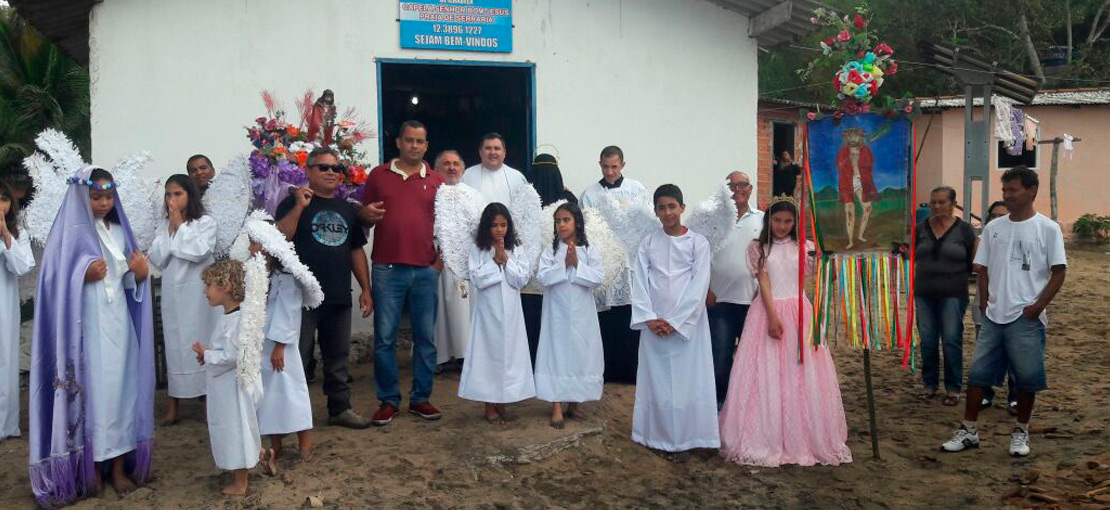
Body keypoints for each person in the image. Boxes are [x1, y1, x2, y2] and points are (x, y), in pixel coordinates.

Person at [29, 167, 155, 505]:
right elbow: (52, 283)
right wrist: (80, 277)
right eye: (96, 196)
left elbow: (129, 279)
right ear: (83, 196)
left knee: (121, 394)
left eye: (108, 196)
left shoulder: (119, 231)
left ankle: (118, 468)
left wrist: (141, 275)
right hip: (84, 333)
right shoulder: (68, 236)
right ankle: (92, 470)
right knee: (94, 396)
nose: (103, 203)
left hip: (119, 329)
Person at [941, 166, 1067, 457]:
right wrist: (984, 303)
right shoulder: (993, 228)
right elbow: (981, 269)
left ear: (1032, 191)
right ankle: (969, 429)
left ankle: (1021, 431)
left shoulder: (1047, 228)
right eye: (1005, 191)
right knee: (977, 374)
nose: (1007, 196)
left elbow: (1059, 272)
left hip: (1026, 316)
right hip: (994, 316)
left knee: (1026, 377)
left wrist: (1037, 307)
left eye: (1014, 190)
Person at [718, 197, 852, 467]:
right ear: (769, 221)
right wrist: (772, 317)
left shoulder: (805, 248)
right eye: (777, 220)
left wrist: (831, 256)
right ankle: (764, 434)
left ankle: (801, 435)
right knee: (764, 372)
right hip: (768, 311)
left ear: (795, 223)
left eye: (787, 221)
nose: (782, 226)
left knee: (800, 372)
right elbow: (764, 282)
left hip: (800, 312)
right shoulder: (759, 248)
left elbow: (829, 276)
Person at [276, 147, 373, 429]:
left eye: (336, 168)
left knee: (338, 358)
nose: (331, 172)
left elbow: (356, 250)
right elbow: (281, 235)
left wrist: (366, 289)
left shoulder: (346, 208)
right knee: (298, 357)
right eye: (323, 167)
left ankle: (340, 409)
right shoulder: (293, 201)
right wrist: (299, 207)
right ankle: (292, 415)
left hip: (338, 294)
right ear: (308, 171)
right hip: (300, 297)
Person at [360, 120, 444, 426]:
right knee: (384, 339)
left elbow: (448, 224)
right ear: (398, 142)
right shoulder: (378, 176)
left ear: (426, 146)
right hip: (387, 268)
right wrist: (364, 215)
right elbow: (363, 217)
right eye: (409, 140)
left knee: (426, 338)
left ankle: (420, 398)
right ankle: (389, 400)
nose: (414, 146)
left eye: (420, 142)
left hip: (425, 269)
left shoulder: (436, 181)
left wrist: (440, 261)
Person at [629, 184, 718, 452]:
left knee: (689, 379)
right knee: (657, 381)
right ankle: (655, 435)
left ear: (682, 207)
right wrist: (649, 318)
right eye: (661, 207)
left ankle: (693, 436)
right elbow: (640, 281)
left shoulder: (698, 243)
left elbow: (699, 284)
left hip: (687, 325)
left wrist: (677, 321)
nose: (667, 212)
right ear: (655, 211)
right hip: (655, 324)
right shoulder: (648, 242)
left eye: (672, 206)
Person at [148, 175, 219, 426]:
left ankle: (210, 402)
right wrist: (171, 230)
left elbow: (199, 252)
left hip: (200, 295)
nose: (172, 200)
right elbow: (158, 258)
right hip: (173, 295)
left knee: (203, 341)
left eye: (178, 194)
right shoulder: (163, 224)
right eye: (168, 194)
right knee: (176, 346)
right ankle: (173, 404)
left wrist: (180, 227)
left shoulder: (205, 222)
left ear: (190, 195)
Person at [192, 260, 265, 496]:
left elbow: (233, 355)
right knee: (234, 427)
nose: (205, 291)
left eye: (209, 285)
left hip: (232, 390)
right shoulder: (229, 316)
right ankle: (263, 455)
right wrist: (209, 356)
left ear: (225, 286)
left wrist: (209, 354)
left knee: (235, 429)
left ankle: (241, 483)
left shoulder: (237, 320)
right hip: (223, 386)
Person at [457, 202, 535, 424]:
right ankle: (488, 404)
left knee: (508, 355)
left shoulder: (516, 249)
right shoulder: (478, 250)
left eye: (503, 225)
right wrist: (494, 261)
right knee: (489, 354)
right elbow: (477, 279)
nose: (500, 230)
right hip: (488, 312)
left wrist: (506, 260)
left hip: (511, 312)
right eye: (494, 225)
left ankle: (503, 399)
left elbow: (521, 278)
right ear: (486, 227)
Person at [247, 227, 315, 464]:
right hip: (262, 345)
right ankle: (276, 443)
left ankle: (304, 441)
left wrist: (279, 345)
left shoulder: (286, 278)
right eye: (251, 243)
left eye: (256, 243)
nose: (251, 248)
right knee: (269, 396)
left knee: (291, 391)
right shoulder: (258, 275)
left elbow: (287, 312)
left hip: (281, 346)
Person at [580, 145, 647, 383]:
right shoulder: (590, 193)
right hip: (605, 262)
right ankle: (607, 370)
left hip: (630, 263)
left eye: (614, 167)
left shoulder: (636, 189)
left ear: (623, 165)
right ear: (600, 164)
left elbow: (644, 222)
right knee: (605, 318)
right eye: (606, 167)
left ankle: (630, 370)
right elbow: (586, 228)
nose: (610, 172)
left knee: (628, 315)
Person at [534, 203, 604, 429]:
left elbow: (597, 278)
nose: (561, 225)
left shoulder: (589, 249)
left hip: (582, 314)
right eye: (558, 221)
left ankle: (574, 403)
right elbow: (543, 277)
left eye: (566, 220)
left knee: (579, 353)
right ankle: (556, 405)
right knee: (557, 354)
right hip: (557, 312)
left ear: (577, 222)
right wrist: (563, 266)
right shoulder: (551, 250)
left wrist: (578, 265)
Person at [913, 186, 976, 407]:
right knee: (928, 341)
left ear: (953, 204)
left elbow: (973, 262)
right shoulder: (919, 229)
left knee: (951, 340)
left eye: (942, 202)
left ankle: (953, 388)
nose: (937, 207)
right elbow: (910, 255)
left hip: (953, 294)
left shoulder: (965, 231)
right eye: (933, 202)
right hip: (923, 293)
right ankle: (929, 385)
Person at [706, 171, 763, 410]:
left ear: (751, 189)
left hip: (754, 302)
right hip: (719, 302)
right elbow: (700, 257)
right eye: (732, 185)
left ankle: (749, 409)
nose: (738, 189)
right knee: (720, 359)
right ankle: (722, 408)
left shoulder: (762, 219)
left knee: (752, 361)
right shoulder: (713, 221)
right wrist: (706, 290)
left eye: (743, 185)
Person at [521, 153, 577, 365]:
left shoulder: (526, 199)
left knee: (533, 326)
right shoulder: (568, 200)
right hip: (557, 272)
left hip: (536, 275)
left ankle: (535, 366)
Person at [0, 180, 34, 441]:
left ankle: (5, 425)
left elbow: (22, 267)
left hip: (4, 305)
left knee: (4, 361)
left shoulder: (17, 232)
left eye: (4, 199)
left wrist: (5, 235)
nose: (1, 205)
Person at [431, 150, 471, 368]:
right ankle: (440, 356)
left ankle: (465, 353)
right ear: (437, 170)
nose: (452, 168)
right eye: (446, 164)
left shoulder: (473, 195)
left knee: (463, 307)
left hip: (466, 260)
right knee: (438, 307)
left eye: (456, 163)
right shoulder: (430, 193)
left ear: (463, 169)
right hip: (436, 258)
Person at [976, 201, 1017, 414]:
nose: (997, 218)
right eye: (993, 215)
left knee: (1015, 354)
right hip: (988, 303)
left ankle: (1015, 397)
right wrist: (984, 302)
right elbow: (979, 268)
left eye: (1002, 214)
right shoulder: (985, 237)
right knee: (986, 353)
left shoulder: (1018, 237)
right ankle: (985, 393)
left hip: (1014, 305)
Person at [836, 128, 878, 249]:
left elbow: (870, 165)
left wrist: (858, 157)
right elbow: (840, 167)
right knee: (849, 212)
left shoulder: (865, 150)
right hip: (847, 182)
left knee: (868, 208)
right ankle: (850, 241)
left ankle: (860, 235)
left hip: (862, 181)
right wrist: (851, 157)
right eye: (851, 135)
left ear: (860, 137)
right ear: (847, 137)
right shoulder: (843, 151)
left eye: (856, 136)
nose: (854, 138)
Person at [461, 133, 528, 206]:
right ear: (480, 152)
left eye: (497, 148)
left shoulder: (516, 177)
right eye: (488, 148)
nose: (492, 152)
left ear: (504, 152)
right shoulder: (467, 175)